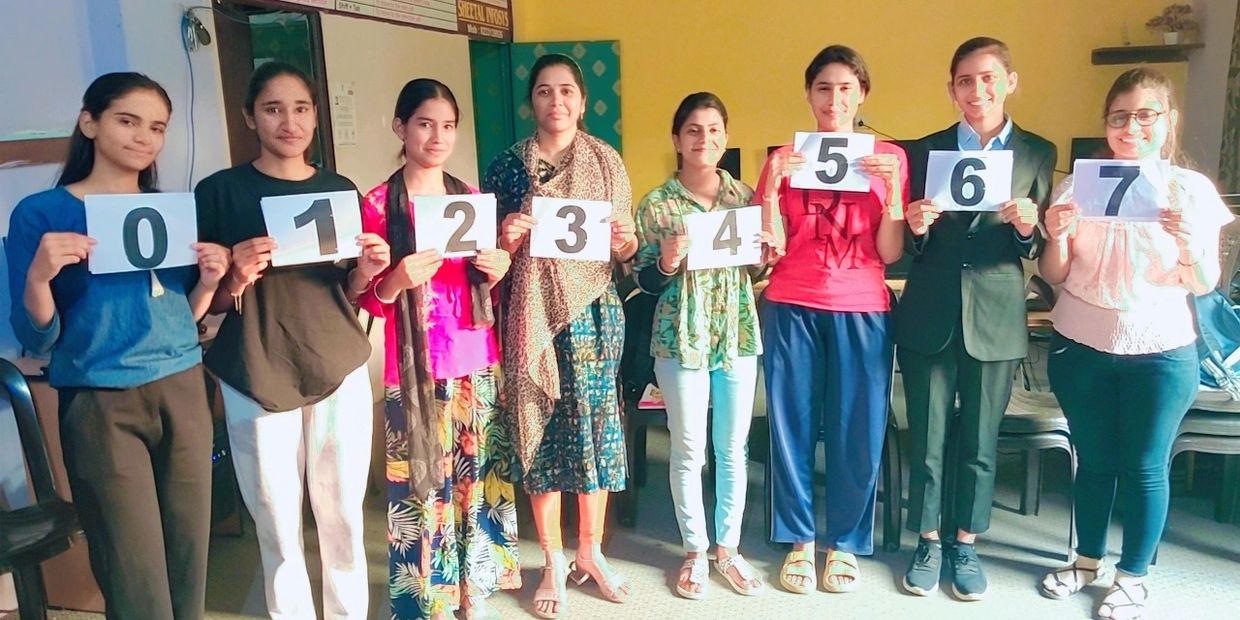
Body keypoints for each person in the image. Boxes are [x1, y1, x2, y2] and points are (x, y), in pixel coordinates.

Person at [6, 72, 230, 619]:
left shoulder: (169, 209)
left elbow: (183, 315)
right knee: (134, 571)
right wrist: (39, 276)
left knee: (188, 561)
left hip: (182, 387)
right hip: (101, 400)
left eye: (157, 128)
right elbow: (35, 335)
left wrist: (207, 281)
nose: (144, 138)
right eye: (127, 121)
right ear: (90, 122)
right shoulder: (42, 213)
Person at [195, 61, 390, 619]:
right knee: (277, 520)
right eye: (273, 109)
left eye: (301, 108)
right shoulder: (219, 192)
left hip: (337, 363)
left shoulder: (338, 188)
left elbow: (349, 292)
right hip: (255, 366)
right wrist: (234, 274)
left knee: (344, 515)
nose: (289, 121)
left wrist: (367, 268)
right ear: (249, 116)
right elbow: (203, 303)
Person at [1036, 67, 1232, 620]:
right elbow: (1055, 273)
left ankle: (1133, 574)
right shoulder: (1080, 184)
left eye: (1147, 114)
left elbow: (1204, 283)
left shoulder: (1189, 190)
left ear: (1168, 121)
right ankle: (1085, 561)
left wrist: (1186, 241)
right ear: (1107, 123)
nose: (1132, 127)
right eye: (1120, 116)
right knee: (1093, 459)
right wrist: (1057, 233)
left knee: (1146, 465)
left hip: (1162, 347)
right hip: (1081, 343)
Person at [893, 36, 1057, 600]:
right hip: (931, 307)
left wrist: (1026, 225)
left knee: (982, 438)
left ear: (1010, 81)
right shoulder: (921, 151)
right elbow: (903, 247)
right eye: (965, 80)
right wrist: (913, 226)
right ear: (951, 89)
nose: (977, 90)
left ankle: (966, 541)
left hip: (997, 308)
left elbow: (1033, 248)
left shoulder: (1037, 152)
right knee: (929, 436)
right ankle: (929, 538)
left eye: (988, 78)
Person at [357, 78, 519, 620]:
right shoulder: (378, 204)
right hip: (417, 364)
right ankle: (427, 598)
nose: (437, 136)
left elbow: (486, 280)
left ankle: (471, 592)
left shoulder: (470, 197)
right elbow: (371, 296)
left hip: (476, 355)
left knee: (474, 478)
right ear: (400, 127)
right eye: (425, 123)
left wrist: (500, 267)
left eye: (448, 126)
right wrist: (396, 277)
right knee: (422, 483)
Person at [483, 53, 636, 618]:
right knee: (540, 430)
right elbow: (487, 253)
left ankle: (590, 552)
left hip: (594, 313)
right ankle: (550, 559)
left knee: (593, 435)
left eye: (566, 90)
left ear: (582, 100)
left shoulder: (606, 160)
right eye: (545, 92)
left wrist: (625, 242)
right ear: (532, 102)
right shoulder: (506, 167)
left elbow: (625, 252)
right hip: (530, 315)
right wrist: (506, 234)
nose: (556, 102)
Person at [757, 44, 908, 594]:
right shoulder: (783, 157)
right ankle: (798, 540)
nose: (834, 100)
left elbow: (890, 252)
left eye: (846, 89)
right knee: (791, 424)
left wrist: (891, 195)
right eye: (824, 88)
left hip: (862, 305)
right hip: (792, 300)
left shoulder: (889, 157)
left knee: (857, 428)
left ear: (862, 94)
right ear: (808, 95)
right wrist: (772, 188)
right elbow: (768, 249)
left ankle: (843, 542)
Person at [633, 92, 780, 599]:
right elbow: (643, 281)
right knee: (688, 448)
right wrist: (668, 261)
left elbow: (755, 272)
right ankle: (695, 551)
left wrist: (766, 256)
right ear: (677, 139)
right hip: (679, 339)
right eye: (693, 130)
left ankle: (729, 551)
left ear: (726, 137)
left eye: (714, 129)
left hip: (735, 333)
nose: (704, 139)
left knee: (733, 448)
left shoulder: (744, 198)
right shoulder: (655, 204)